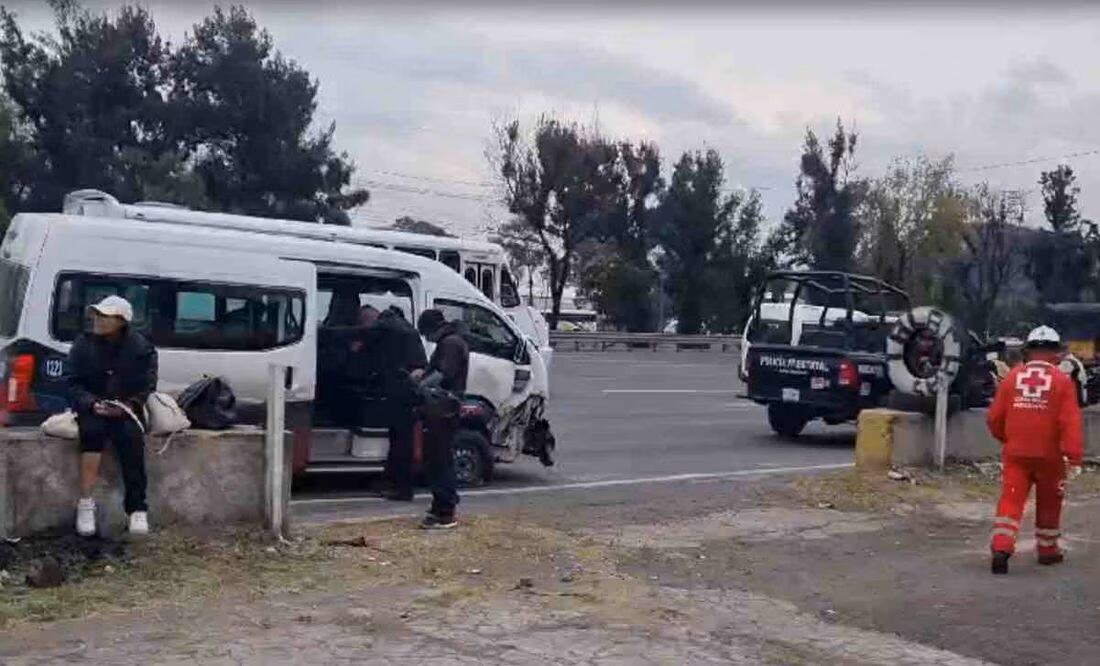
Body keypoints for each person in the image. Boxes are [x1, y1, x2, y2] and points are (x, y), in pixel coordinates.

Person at [986, 325, 1083, 575]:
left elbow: (995, 418)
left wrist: (1007, 439)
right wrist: (1074, 456)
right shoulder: (1062, 382)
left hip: (1016, 453)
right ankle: (1047, 550)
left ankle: (1001, 547)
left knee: (1011, 499)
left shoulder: (1011, 378)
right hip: (1049, 457)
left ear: (1028, 351)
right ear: (1056, 352)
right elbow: (1069, 422)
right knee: (1050, 503)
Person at [67, 296, 158, 537]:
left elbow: (147, 385)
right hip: (92, 407)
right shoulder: (82, 344)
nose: (97, 319)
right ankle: (85, 503)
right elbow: (72, 383)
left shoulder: (141, 347)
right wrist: (91, 403)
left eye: (104, 316)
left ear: (121, 321)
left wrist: (127, 405)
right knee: (92, 432)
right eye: (96, 314)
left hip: (125, 409)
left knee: (131, 438)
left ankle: (137, 508)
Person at [348, 305, 426, 501]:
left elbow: (360, 339)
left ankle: (403, 489)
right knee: (399, 442)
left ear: (371, 319)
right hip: (405, 394)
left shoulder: (386, 326)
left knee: (401, 444)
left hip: (401, 394)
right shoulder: (402, 327)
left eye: (364, 323)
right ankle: (394, 482)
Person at [415, 309, 469, 529]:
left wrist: (421, 384)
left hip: (443, 410)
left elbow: (443, 374)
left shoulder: (451, 344)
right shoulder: (453, 341)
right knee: (438, 459)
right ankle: (441, 506)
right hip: (443, 409)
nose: (426, 339)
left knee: (440, 460)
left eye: (426, 333)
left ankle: (445, 510)